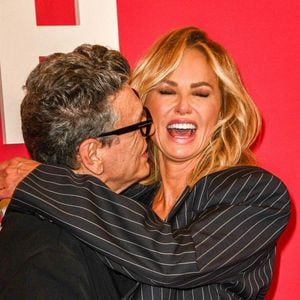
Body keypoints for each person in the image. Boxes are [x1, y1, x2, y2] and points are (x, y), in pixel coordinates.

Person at [0, 27, 290, 299]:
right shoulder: (124, 199)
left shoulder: (254, 194)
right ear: (144, 107)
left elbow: (174, 261)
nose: (183, 106)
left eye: (201, 93)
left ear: (223, 111)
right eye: (166, 91)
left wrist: (45, 180)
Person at [0, 43, 153, 299]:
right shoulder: (50, 260)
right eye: (138, 124)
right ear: (92, 155)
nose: (150, 132)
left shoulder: (72, 231)